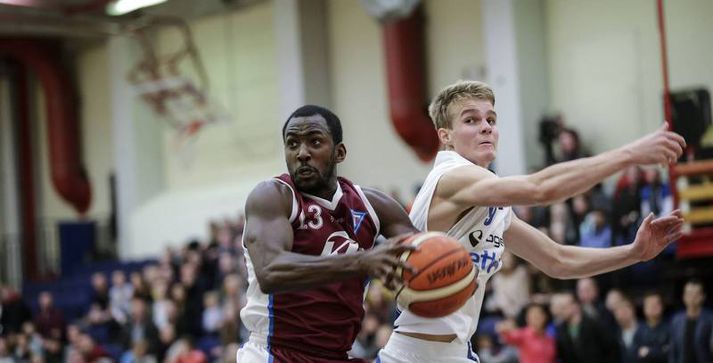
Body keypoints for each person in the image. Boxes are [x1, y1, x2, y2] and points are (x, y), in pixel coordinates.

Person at [378, 80, 686, 363]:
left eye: (491, 119)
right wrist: (628, 154)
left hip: (457, 353)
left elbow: (557, 259)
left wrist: (633, 253)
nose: (486, 127)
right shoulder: (451, 177)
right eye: (471, 120)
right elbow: (541, 189)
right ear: (445, 136)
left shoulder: (491, 202)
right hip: (411, 356)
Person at [237, 105, 417, 362]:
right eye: (292, 144)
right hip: (275, 352)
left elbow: (425, 251)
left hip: (338, 354)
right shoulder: (272, 196)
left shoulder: (372, 205)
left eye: (314, 142)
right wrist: (361, 262)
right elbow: (270, 271)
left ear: (339, 152)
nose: (302, 153)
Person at [669, 279, 713, 363]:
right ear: (684, 296)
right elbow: (673, 351)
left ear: (703, 296)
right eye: (689, 294)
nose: (692, 297)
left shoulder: (710, 319)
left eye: (696, 294)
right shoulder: (676, 320)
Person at [631, 291, 669, 363]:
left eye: (656, 304)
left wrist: (649, 352)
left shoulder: (669, 328)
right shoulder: (640, 330)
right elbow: (634, 354)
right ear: (644, 309)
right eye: (650, 305)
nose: (653, 307)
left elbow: (669, 353)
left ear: (662, 307)